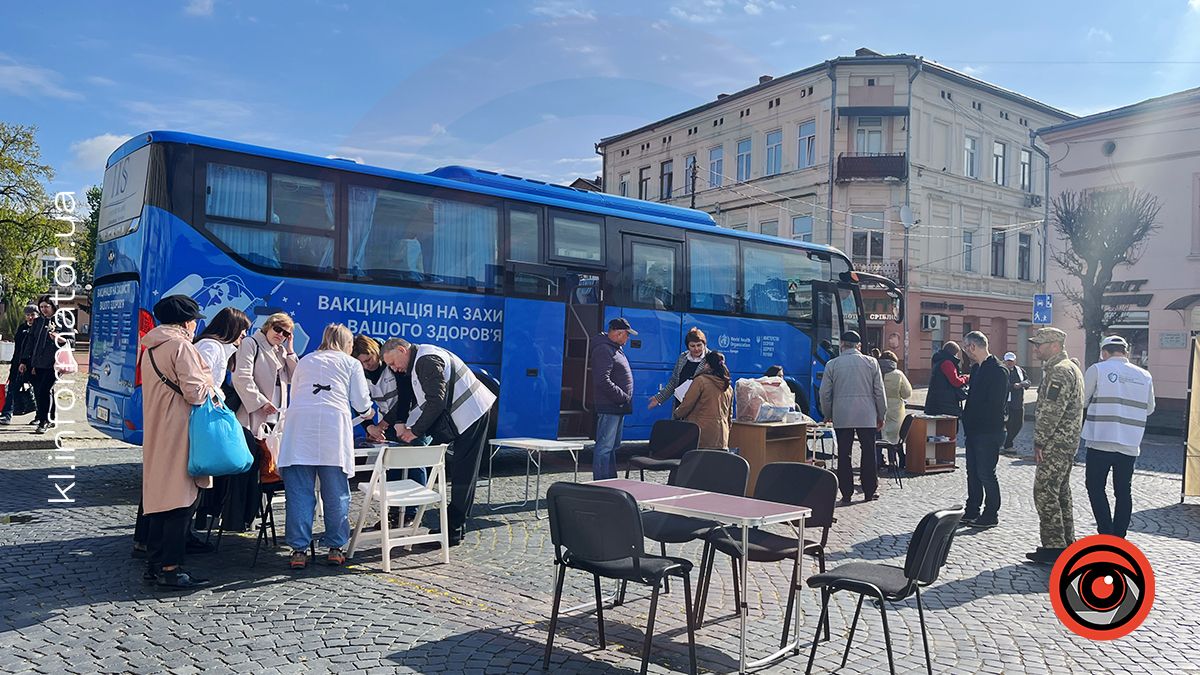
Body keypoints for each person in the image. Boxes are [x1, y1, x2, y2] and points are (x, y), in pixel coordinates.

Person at [379, 337, 496, 546]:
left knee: (463, 472)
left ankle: (452, 530)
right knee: (461, 472)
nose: (393, 368)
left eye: (393, 362)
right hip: (466, 414)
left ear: (401, 350)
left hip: (472, 413)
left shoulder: (426, 361)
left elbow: (436, 401)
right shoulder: (416, 362)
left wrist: (414, 431)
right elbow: (409, 398)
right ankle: (455, 527)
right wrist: (391, 423)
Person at [278, 324, 372, 569]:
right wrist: (369, 413)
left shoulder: (306, 360)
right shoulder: (351, 364)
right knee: (336, 491)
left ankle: (298, 550)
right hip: (333, 429)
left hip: (300, 428)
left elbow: (296, 393)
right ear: (347, 344)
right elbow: (361, 402)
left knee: (299, 493)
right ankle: (335, 546)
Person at [138, 295, 215, 589]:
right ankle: (172, 569)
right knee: (181, 503)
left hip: (157, 428)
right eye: (194, 318)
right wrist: (211, 382)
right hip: (180, 430)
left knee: (159, 501)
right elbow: (196, 393)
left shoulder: (151, 348)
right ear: (185, 322)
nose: (196, 324)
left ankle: (154, 564)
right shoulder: (181, 346)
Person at [229, 313, 299, 530]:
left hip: (276, 417)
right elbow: (241, 377)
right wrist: (260, 402)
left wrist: (290, 350)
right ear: (268, 326)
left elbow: (296, 377)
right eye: (278, 329)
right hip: (255, 414)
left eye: (286, 333)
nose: (281, 335)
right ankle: (242, 517)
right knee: (251, 465)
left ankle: (253, 514)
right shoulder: (251, 343)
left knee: (268, 466)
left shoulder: (280, 350)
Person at [1082, 335, 1155, 539]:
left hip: (1100, 440)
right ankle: (1119, 535)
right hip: (1130, 442)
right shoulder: (1144, 375)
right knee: (1123, 492)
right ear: (1126, 352)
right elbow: (1150, 408)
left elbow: (1083, 400)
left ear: (1104, 353)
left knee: (1095, 487)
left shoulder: (1098, 369)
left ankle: (1105, 531)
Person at [191, 308, 253, 537]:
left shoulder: (218, 348)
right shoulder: (211, 347)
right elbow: (201, 382)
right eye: (243, 330)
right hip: (204, 414)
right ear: (232, 328)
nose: (244, 336)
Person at [1026, 327, 1085, 564]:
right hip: (1066, 442)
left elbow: (1051, 412)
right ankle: (1066, 542)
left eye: (1039, 344)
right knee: (1060, 492)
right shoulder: (1071, 368)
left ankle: (1054, 546)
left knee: (1044, 491)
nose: (1036, 348)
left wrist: (1039, 441)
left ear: (1054, 346)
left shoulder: (1060, 371)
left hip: (1056, 442)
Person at [355, 334, 427, 529]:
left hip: (412, 418)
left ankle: (412, 513)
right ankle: (394, 513)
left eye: (368, 359)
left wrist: (383, 424)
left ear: (375, 352)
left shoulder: (392, 363)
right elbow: (359, 402)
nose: (366, 365)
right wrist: (369, 426)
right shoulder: (360, 372)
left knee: (414, 463)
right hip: (391, 422)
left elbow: (405, 398)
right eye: (361, 362)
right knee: (391, 466)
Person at [819, 330, 887, 504]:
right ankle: (869, 490)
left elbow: (825, 393)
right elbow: (879, 392)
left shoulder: (832, 364)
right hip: (867, 414)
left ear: (842, 344)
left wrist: (828, 413)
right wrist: (881, 413)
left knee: (844, 454)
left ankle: (847, 492)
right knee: (868, 453)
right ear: (859, 346)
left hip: (842, 415)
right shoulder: (871, 362)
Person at [960, 331, 1008, 528]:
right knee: (972, 471)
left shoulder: (997, 370)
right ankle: (972, 509)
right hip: (973, 430)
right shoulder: (977, 368)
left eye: (965, 347)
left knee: (986, 473)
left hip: (989, 430)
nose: (965, 352)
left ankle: (991, 513)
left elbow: (996, 404)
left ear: (973, 346)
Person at [590, 318, 635, 480]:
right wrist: (622, 397)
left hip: (617, 406)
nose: (628, 338)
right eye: (627, 335)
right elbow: (602, 379)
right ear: (618, 333)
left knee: (612, 446)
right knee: (605, 447)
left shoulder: (613, 348)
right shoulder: (604, 349)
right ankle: (602, 482)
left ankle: (610, 480)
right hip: (611, 405)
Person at [17, 296, 68, 434]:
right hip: (37, 363)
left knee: (44, 390)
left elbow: (71, 342)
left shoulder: (63, 321)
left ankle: (44, 421)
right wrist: (24, 361)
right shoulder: (38, 322)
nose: (44, 309)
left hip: (53, 364)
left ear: (53, 306)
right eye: (42, 307)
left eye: (46, 306)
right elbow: (30, 342)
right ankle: (48, 418)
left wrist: (59, 338)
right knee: (40, 392)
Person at [674, 351, 733, 449]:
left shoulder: (700, 381)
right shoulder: (728, 386)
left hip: (701, 434)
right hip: (722, 437)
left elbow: (687, 404)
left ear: (707, 365)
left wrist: (677, 414)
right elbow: (729, 415)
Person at [649, 327, 708, 410]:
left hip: (699, 407)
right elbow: (674, 381)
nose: (696, 349)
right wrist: (659, 398)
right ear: (687, 346)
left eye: (699, 345)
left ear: (704, 344)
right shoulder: (683, 358)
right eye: (692, 346)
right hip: (680, 404)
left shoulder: (710, 359)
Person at [0, 304, 37, 424]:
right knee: (11, 389)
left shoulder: (40, 328)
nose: (30, 317)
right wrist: (15, 362)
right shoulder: (21, 328)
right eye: (28, 315)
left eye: (32, 315)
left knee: (38, 390)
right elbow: (18, 347)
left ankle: (41, 416)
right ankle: (7, 415)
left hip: (33, 365)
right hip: (17, 364)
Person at [878, 350, 912, 468]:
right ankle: (897, 461)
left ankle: (878, 461)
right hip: (895, 410)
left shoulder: (875, 372)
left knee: (880, 436)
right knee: (896, 437)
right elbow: (907, 393)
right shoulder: (898, 374)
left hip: (878, 408)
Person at [925, 341, 969, 418]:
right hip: (945, 403)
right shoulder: (947, 363)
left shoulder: (938, 360)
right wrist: (966, 378)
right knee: (949, 427)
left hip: (936, 402)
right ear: (954, 353)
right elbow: (955, 381)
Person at [1003, 352, 1031, 452]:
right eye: (1008, 361)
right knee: (1009, 424)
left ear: (1015, 361)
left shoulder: (1020, 370)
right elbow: (1001, 386)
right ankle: (1007, 445)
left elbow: (1028, 381)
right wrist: (1012, 386)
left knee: (1019, 424)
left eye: (1011, 361)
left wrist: (1023, 384)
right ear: (1004, 361)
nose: (1010, 363)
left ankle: (1007, 442)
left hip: (1018, 401)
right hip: (1007, 402)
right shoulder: (1002, 371)